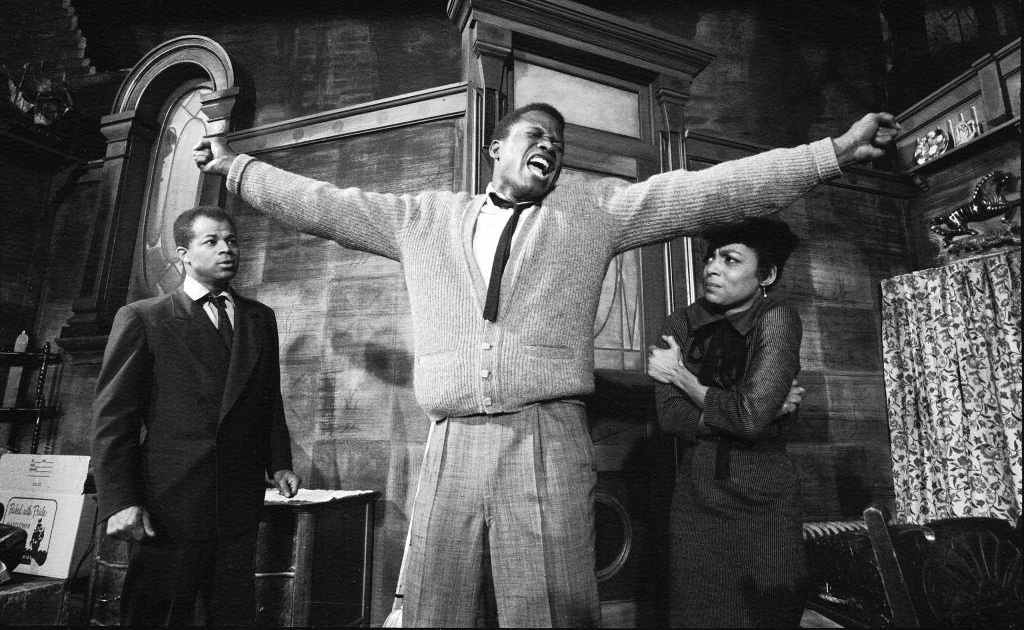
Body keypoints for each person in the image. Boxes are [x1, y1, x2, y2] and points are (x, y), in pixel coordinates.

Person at [193, 104, 898, 627]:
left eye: (557, 142)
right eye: (536, 133)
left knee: (553, 614)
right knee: (435, 611)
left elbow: (709, 192)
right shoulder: (422, 217)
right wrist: (236, 168)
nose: (551, 145)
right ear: (496, 147)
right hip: (453, 442)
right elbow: (320, 204)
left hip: (547, 438)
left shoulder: (590, 213)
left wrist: (828, 153)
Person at [92, 205, 300, 627]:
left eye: (233, 240)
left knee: (231, 616)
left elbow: (266, 399)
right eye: (213, 241)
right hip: (171, 505)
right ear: (184, 254)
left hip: (238, 502)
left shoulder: (260, 318)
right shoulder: (144, 317)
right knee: (158, 617)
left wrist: (279, 462)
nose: (228, 249)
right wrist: (120, 500)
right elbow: (114, 419)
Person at [648, 218, 806, 627]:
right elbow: (671, 416)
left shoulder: (777, 318)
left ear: (766, 274)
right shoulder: (680, 323)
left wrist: (683, 377)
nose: (711, 268)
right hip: (697, 494)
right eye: (710, 258)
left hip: (764, 496)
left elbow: (750, 419)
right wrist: (757, 410)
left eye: (730, 259)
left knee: (768, 616)